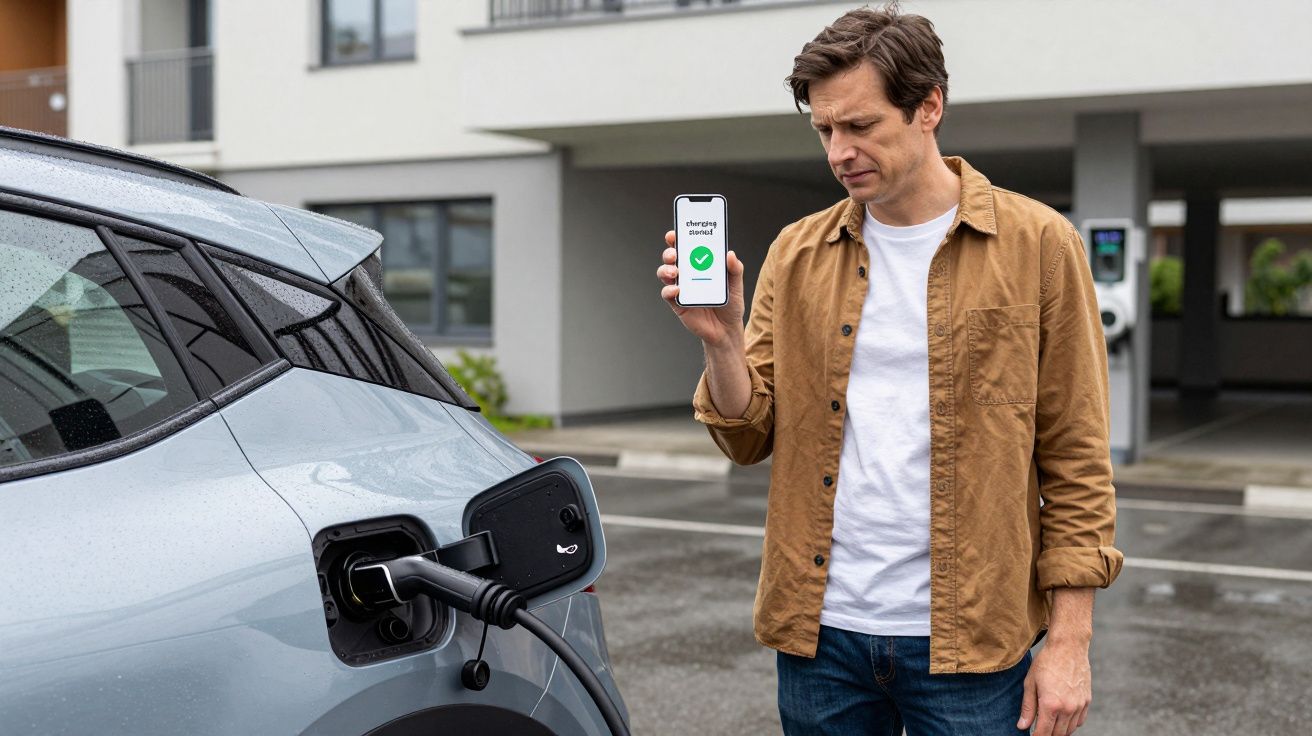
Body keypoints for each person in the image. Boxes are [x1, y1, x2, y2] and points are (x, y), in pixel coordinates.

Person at [655, 5, 1122, 735]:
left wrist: (1070, 643)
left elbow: (1077, 459)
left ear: (929, 105)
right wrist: (720, 341)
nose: (840, 150)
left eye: (860, 125)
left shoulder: (1038, 245)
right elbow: (748, 437)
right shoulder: (797, 251)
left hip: (974, 645)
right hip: (823, 638)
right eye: (824, 131)